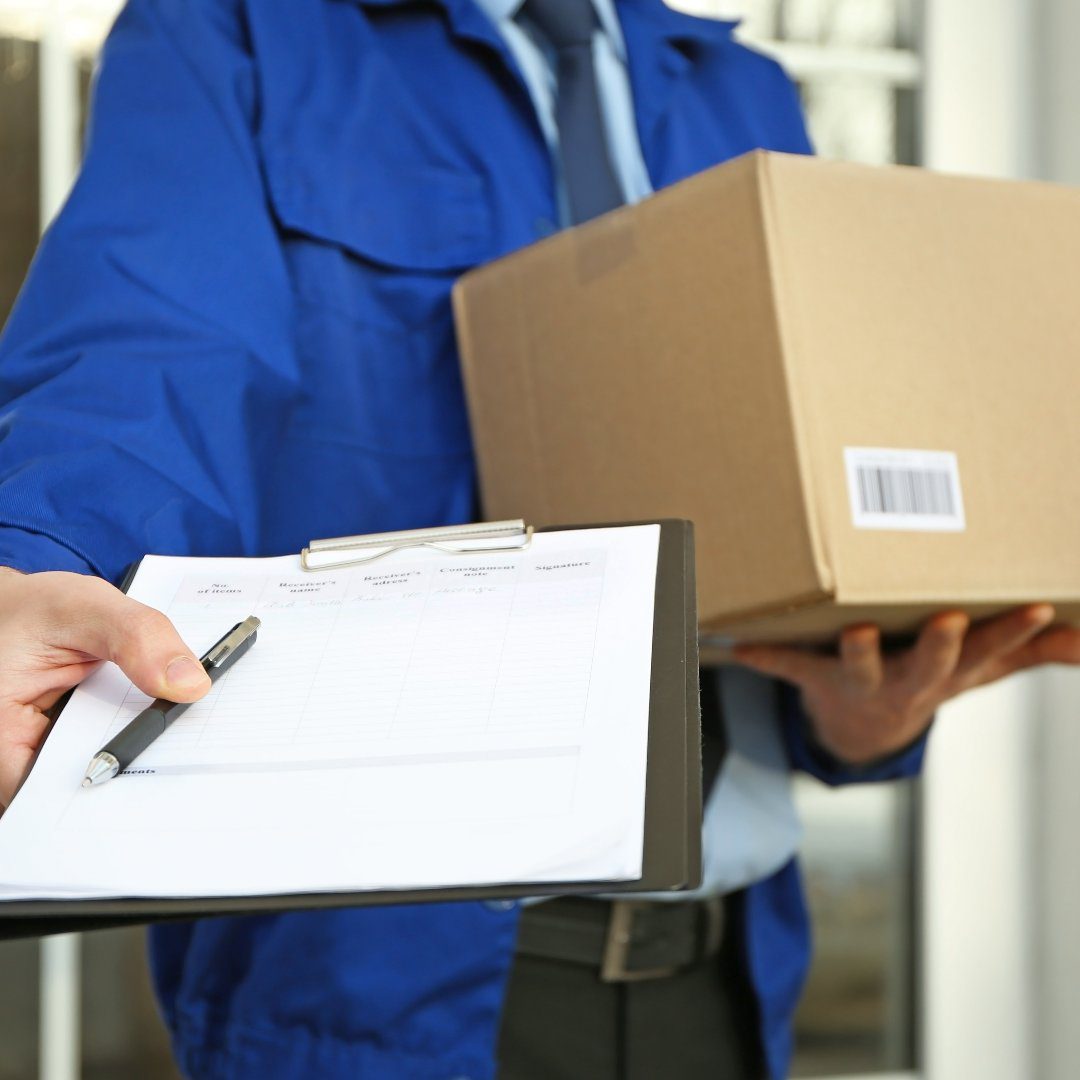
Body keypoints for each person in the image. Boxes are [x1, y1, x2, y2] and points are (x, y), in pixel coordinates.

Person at [0, 1, 1077, 1077]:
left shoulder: (735, 86)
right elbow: (146, 351)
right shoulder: (245, 30)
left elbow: (795, 500)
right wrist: (40, 567)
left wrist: (856, 718)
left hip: (724, 977)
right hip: (378, 989)